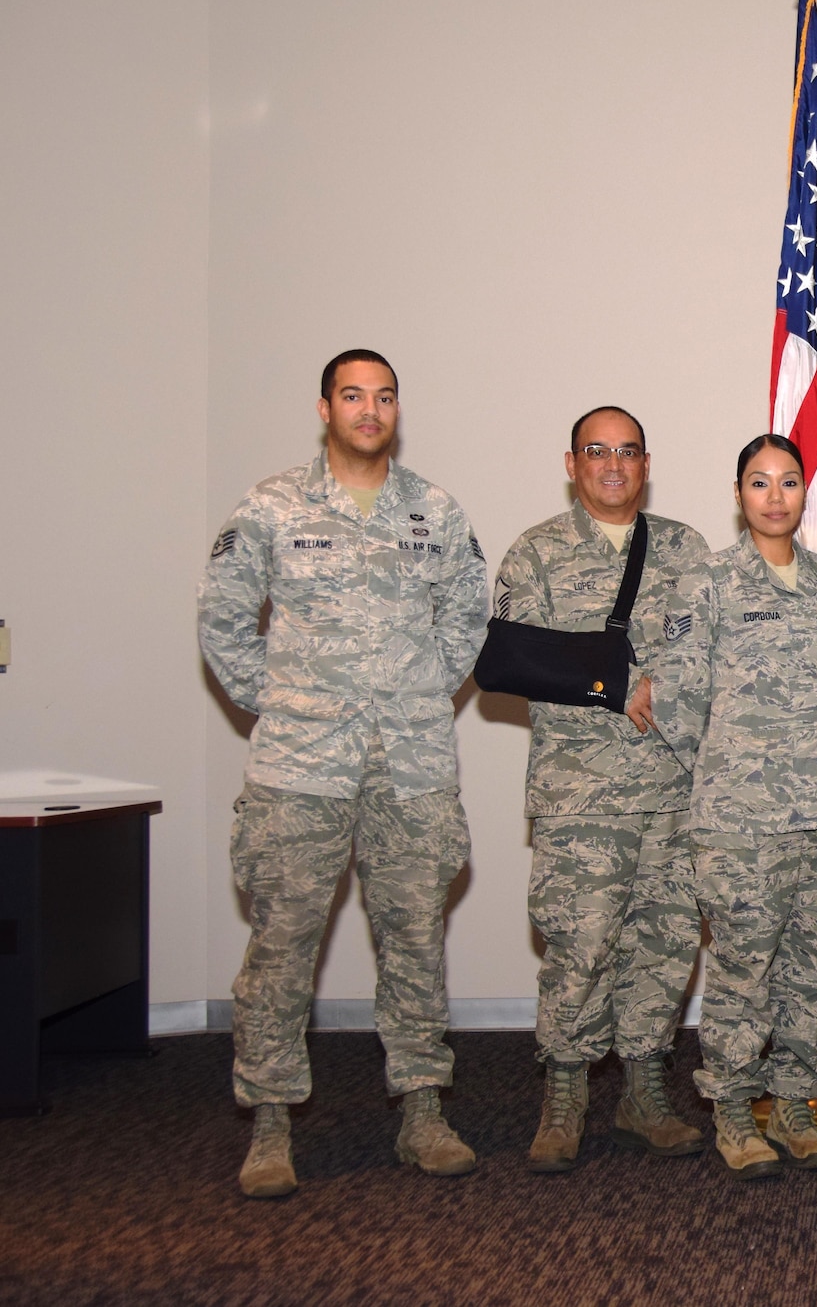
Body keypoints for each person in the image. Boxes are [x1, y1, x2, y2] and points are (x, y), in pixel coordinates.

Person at [199, 349, 488, 1198]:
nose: (370, 409)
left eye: (385, 396)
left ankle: (423, 1112)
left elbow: (468, 615)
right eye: (353, 395)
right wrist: (286, 701)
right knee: (282, 945)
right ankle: (270, 1121)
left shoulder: (433, 508)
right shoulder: (272, 506)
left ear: (398, 409)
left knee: (415, 941)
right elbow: (221, 619)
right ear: (324, 407)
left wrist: (417, 693)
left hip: (412, 765)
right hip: (300, 767)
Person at [493, 406, 711, 1173]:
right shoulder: (538, 552)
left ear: (645, 464)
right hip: (580, 795)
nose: (613, 464)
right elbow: (509, 659)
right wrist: (614, 683)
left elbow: (712, 653)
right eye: (597, 451)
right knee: (579, 945)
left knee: (664, 940)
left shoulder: (686, 549)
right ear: (572, 462)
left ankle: (644, 1091)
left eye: (627, 452)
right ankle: (565, 1095)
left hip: (672, 788)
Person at [653, 433, 817, 1179]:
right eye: (759, 482)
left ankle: (796, 1103)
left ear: (806, 492)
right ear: (738, 493)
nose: (775, 496)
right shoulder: (706, 583)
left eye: (789, 481)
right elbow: (676, 703)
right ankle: (734, 1109)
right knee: (743, 970)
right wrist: (728, 773)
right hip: (739, 821)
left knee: (810, 970)